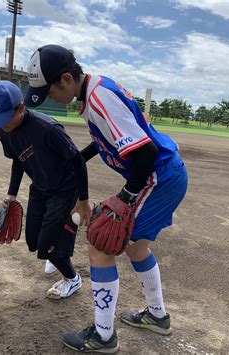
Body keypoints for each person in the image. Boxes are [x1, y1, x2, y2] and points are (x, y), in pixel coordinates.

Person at [24, 44, 188, 353]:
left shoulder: (98, 99)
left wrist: (125, 198)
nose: (50, 98)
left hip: (158, 175)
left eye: (50, 91)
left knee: (100, 243)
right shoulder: (95, 89)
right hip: (165, 174)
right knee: (137, 248)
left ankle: (103, 336)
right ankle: (157, 316)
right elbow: (108, 140)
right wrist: (77, 158)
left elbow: (146, 154)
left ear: (67, 79)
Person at [0, 80, 92, 299]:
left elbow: (78, 161)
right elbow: (18, 161)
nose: (1, 125)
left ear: (20, 108)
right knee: (33, 242)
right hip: (40, 188)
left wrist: (83, 199)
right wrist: (11, 194)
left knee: (48, 248)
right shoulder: (4, 131)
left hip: (63, 189)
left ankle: (72, 279)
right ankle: (55, 239)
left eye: (4, 118)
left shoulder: (47, 129)